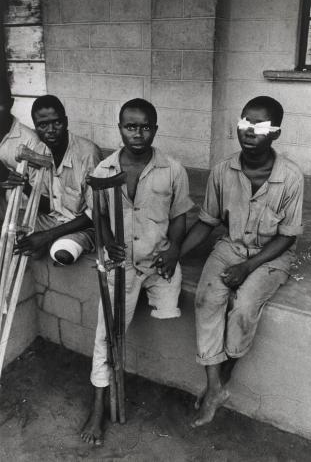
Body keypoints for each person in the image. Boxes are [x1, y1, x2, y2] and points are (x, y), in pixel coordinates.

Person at [180, 96, 304, 428]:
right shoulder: (222, 171)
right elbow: (207, 221)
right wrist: (173, 254)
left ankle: (219, 382)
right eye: (245, 123)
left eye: (260, 126)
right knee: (206, 299)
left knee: (245, 307)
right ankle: (215, 388)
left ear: (275, 133)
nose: (249, 131)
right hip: (230, 247)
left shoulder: (291, 177)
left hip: (271, 255)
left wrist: (248, 268)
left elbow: (287, 237)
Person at [81, 98, 194, 445]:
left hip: (158, 260)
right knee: (107, 334)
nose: (138, 133)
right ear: (120, 129)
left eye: (145, 126)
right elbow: (97, 216)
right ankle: (98, 406)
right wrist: (104, 242)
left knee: (173, 309)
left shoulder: (173, 169)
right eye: (131, 126)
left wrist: (175, 249)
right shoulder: (103, 171)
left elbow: (180, 216)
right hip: (121, 264)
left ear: (155, 130)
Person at [15, 94, 102, 265]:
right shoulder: (39, 151)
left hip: (86, 225)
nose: (51, 130)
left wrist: (47, 235)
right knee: (9, 230)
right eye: (43, 125)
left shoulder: (88, 153)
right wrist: (25, 186)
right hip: (54, 219)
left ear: (66, 121)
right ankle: (41, 245)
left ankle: (51, 242)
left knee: (62, 253)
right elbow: (49, 207)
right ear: (35, 127)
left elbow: (96, 213)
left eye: (57, 122)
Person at [0, 78, 40, 217]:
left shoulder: (29, 140)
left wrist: (14, 179)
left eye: (0, 104)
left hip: (19, 217)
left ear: (11, 103)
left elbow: (40, 193)